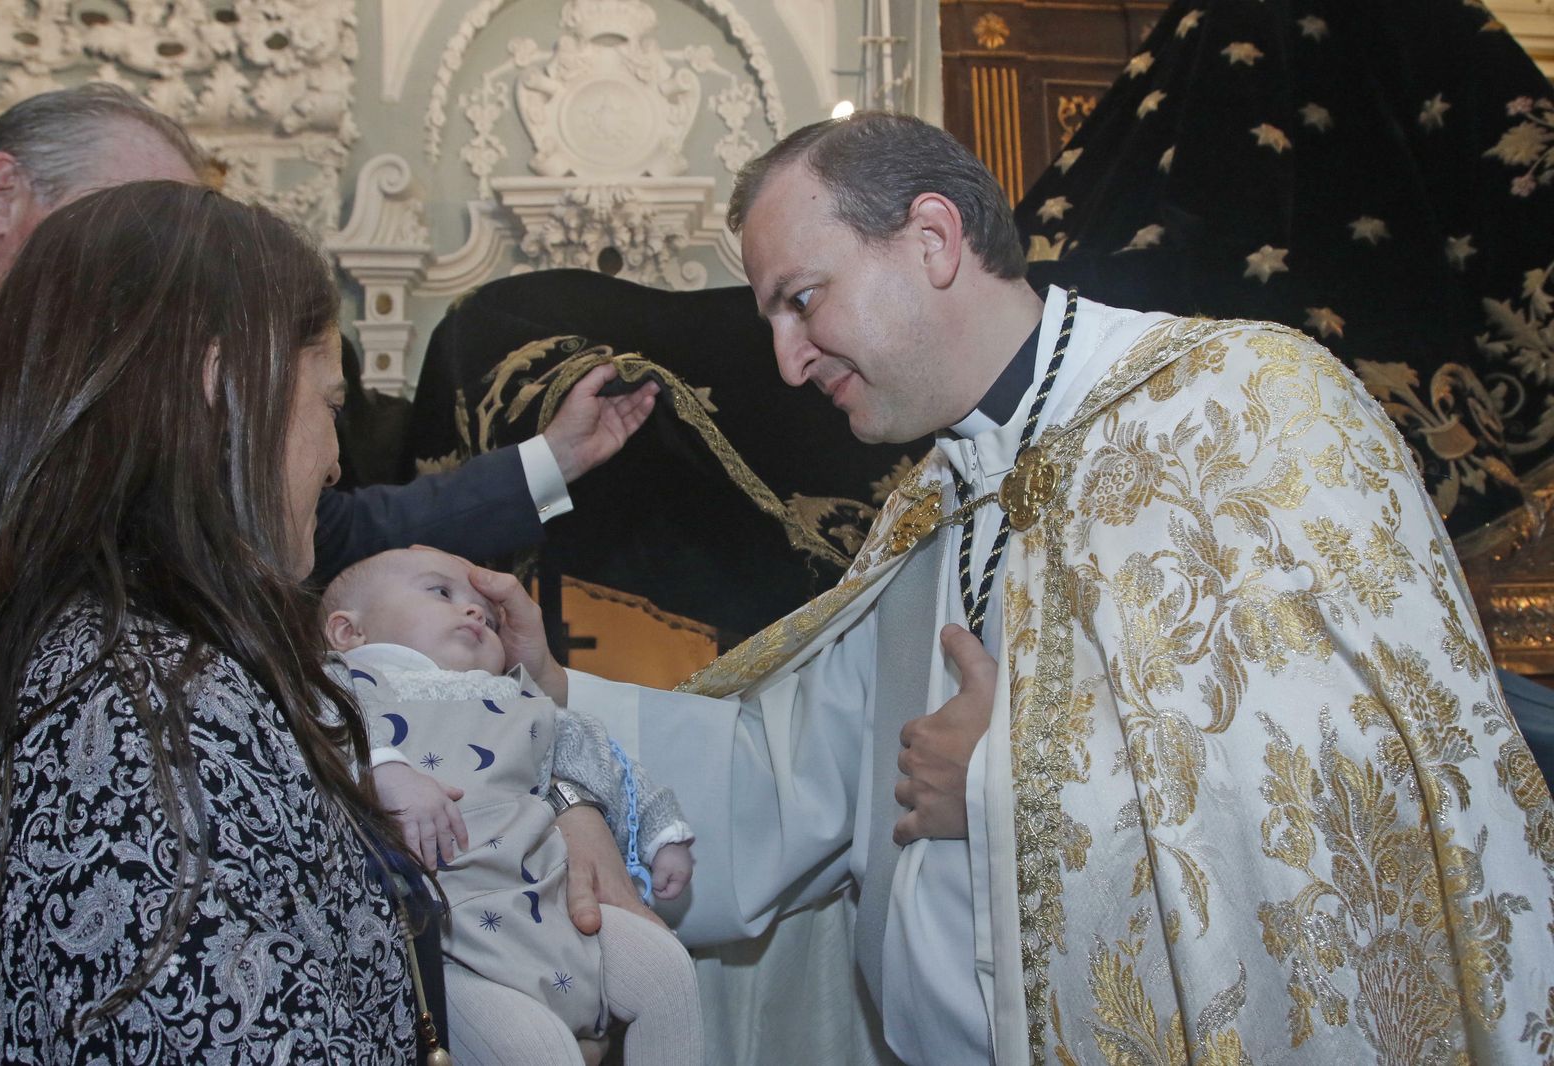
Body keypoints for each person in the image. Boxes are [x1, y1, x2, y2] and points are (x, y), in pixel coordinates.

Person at [497, 112, 1554, 1064]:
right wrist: (551, 695)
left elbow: (1367, 793)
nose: (784, 360)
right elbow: (783, 783)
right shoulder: (933, 505)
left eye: (800, 301)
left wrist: (1010, 781)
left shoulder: (1252, 403)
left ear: (932, 238)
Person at [0, 181, 428, 1059]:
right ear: (224, 389)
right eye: (328, 404)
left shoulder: (85, 656)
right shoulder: (160, 718)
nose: (333, 466)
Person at [0, 82, 659, 583]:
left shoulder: (146, 397)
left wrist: (551, 458)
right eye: (131, 230)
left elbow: (329, 531)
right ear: (0, 195)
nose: (165, 278)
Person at [322, 547, 702, 1066]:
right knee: (535, 1050)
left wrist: (662, 829)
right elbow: (309, 734)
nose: (476, 611)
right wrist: (383, 768)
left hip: (553, 905)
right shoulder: (339, 685)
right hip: (447, 937)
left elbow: (601, 756)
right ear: (350, 633)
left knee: (668, 972)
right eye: (441, 592)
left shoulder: (517, 696)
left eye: (491, 616)